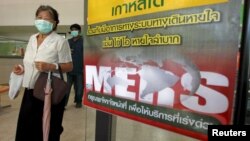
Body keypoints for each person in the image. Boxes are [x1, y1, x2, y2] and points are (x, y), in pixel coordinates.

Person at [13, 5, 73, 141]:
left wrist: (51, 66)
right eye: (39, 18)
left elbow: (69, 66)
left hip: (47, 91)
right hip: (29, 91)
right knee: (26, 128)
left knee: (46, 129)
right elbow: (30, 62)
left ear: (54, 23)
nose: (42, 21)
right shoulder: (32, 38)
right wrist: (22, 68)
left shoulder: (60, 41)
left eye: (46, 19)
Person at [64, 23, 84, 108]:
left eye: (75, 30)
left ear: (79, 31)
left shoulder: (84, 41)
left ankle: (78, 101)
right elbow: (63, 54)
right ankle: (63, 104)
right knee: (66, 89)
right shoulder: (68, 41)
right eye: (72, 30)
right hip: (69, 69)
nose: (73, 31)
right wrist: (67, 53)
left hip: (80, 69)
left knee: (79, 88)